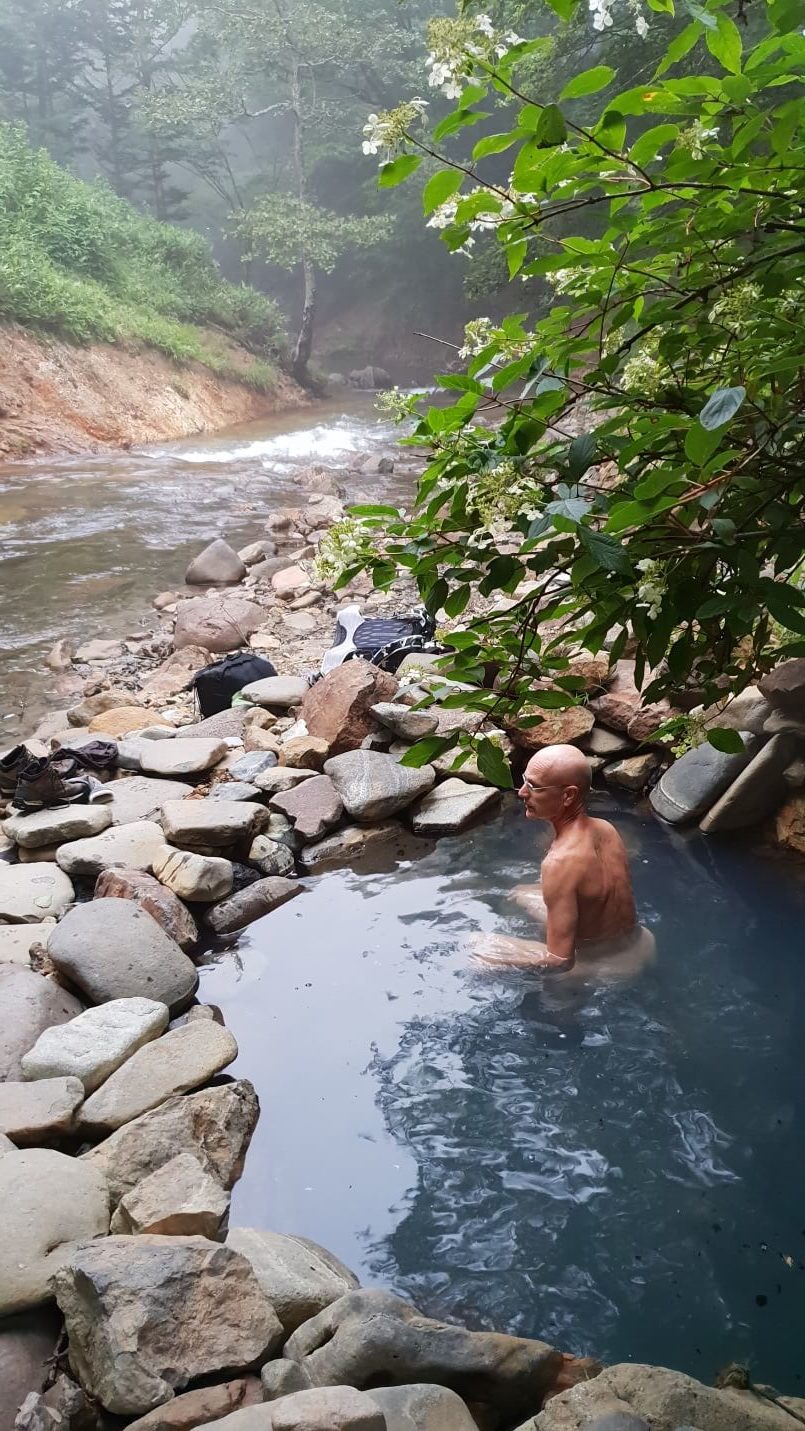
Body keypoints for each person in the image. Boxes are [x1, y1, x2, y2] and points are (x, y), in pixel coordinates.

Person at [471, 743, 655, 977]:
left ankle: (563, 1005)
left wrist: (492, 960)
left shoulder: (559, 862)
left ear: (568, 795)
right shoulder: (605, 829)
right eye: (524, 780)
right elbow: (595, 897)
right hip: (643, 943)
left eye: (533, 787)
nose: (521, 793)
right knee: (520, 892)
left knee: (473, 946)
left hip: (600, 967)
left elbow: (560, 961)